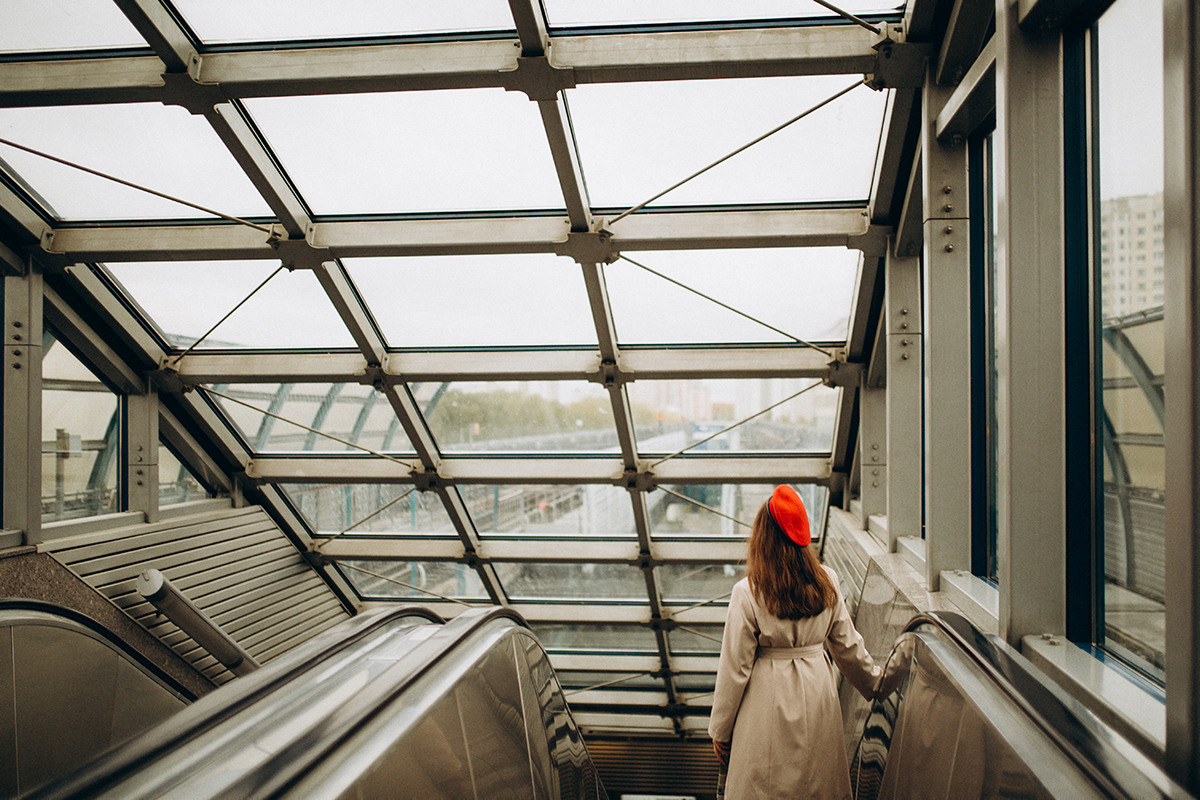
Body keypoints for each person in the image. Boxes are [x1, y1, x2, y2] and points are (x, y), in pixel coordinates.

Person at [708, 485, 880, 800]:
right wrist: (877, 684)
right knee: (817, 780)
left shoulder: (748, 591)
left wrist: (721, 730)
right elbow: (848, 648)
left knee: (765, 783)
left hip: (766, 699)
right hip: (818, 692)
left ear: (762, 538)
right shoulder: (827, 581)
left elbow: (735, 669)